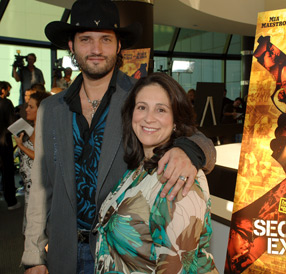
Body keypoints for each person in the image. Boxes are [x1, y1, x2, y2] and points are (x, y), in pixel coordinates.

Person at [21, 1, 216, 273]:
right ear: (71, 45)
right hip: (61, 249)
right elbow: (41, 187)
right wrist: (33, 255)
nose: (96, 49)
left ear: (119, 46)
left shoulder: (140, 96)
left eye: (106, 39)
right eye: (86, 39)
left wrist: (188, 151)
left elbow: (199, 139)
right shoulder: (51, 109)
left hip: (117, 254)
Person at [95, 72, 218, 273]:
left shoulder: (176, 178)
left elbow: (176, 267)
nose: (148, 118)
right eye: (142, 107)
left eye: (161, 110)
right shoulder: (140, 167)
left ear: (177, 120)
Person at [13, 92, 51, 234]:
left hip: (37, 185)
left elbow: (40, 157)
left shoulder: (44, 129)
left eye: (30, 107)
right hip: (29, 186)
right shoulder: (32, 129)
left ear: (40, 110)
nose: (26, 110)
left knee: (37, 227)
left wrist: (21, 146)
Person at [0, 81, 19, 210]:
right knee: (7, 171)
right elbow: (13, 124)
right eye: (8, 90)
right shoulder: (6, 103)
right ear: (3, 90)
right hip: (4, 141)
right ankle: (11, 201)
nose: (9, 92)